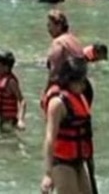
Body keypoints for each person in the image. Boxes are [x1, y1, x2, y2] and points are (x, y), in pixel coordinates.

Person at [41, 57, 95, 194]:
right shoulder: (58, 103)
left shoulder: (80, 98)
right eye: (80, 81)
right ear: (69, 80)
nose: (84, 85)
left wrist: (90, 164)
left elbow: (86, 133)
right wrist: (48, 174)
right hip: (61, 163)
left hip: (78, 161)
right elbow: (49, 138)